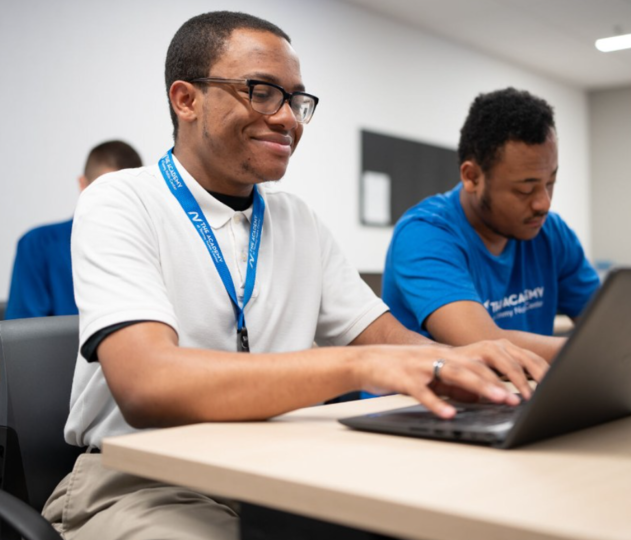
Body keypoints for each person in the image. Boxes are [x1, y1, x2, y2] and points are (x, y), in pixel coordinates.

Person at [42, 11, 548, 540]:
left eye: (296, 99)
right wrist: (362, 365)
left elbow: (390, 341)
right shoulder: (121, 200)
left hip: (280, 471)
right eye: (261, 92)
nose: (288, 118)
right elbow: (149, 385)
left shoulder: (295, 219)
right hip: (143, 481)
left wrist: (464, 364)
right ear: (186, 99)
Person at [382, 88, 600, 361]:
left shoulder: (551, 233)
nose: (543, 204)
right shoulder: (424, 234)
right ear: (472, 177)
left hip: (517, 393)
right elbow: (480, 344)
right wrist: (606, 351)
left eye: (550, 183)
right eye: (525, 190)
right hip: (414, 401)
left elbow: (608, 326)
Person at [5, 140, 142, 319]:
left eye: (127, 193)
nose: (116, 204)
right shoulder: (38, 244)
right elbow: (25, 336)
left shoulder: (151, 245)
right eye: (105, 191)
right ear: (83, 184)